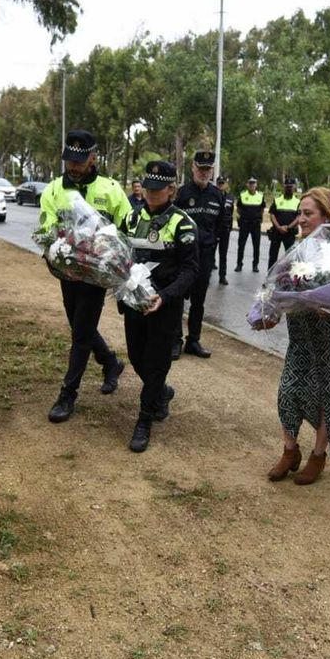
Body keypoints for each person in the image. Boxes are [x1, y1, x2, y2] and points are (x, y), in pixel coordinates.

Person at [253, 187, 330, 485]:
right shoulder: (298, 249)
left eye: (308, 213)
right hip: (303, 335)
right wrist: (268, 312)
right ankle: (290, 450)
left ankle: (318, 455)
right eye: (300, 213)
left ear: (327, 216)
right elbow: (277, 287)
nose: (300, 219)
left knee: (329, 393)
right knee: (289, 390)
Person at [36, 129, 131, 424]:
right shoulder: (53, 189)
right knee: (81, 328)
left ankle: (68, 394)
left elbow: (126, 227)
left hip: (96, 275)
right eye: (70, 160)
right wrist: (54, 245)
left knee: (80, 334)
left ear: (93, 157)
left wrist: (111, 252)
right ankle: (110, 362)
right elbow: (46, 227)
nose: (74, 166)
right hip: (67, 271)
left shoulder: (111, 189)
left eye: (80, 160)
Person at [118, 161, 201, 453]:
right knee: (136, 358)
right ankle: (162, 393)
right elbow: (120, 256)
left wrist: (165, 297)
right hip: (134, 303)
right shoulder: (130, 218)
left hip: (164, 306)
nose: (151, 194)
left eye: (158, 190)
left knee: (156, 363)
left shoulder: (183, 223)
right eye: (148, 188)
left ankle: (144, 420)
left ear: (171, 189)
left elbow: (191, 270)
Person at [173, 150, 227, 358]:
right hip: (183, 255)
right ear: (193, 168)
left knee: (199, 300)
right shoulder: (182, 194)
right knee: (178, 298)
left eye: (208, 169)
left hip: (205, 255)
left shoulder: (217, 195)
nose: (204, 172)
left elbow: (222, 224)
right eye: (201, 168)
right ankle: (175, 341)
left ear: (212, 171)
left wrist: (214, 244)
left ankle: (193, 340)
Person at [267, 178, 300, 267]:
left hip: (289, 233)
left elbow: (299, 217)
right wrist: (278, 227)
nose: (289, 188)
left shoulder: (298, 202)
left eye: (291, 186)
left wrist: (288, 227)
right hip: (276, 232)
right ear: (284, 187)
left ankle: (289, 278)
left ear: (294, 187)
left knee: (290, 257)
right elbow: (272, 214)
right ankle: (269, 277)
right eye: (287, 186)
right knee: (272, 256)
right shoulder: (277, 200)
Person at [235, 177, 265, 272]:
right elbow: (238, 208)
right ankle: (239, 264)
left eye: (254, 183)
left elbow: (262, 208)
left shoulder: (260, 196)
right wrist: (244, 216)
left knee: (256, 246)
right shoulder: (243, 195)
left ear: (256, 185)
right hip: (245, 223)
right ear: (247, 185)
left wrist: (257, 216)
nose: (252, 185)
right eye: (250, 183)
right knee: (241, 245)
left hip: (255, 224)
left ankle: (255, 265)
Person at [212, 175, 235, 285]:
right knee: (210, 252)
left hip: (225, 229)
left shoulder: (230, 197)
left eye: (223, 183)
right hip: (214, 228)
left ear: (226, 184)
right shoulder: (212, 196)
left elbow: (230, 213)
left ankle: (222, 276)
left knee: (223, 253)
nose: (221, 185)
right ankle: (207, 274)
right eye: (219, 183)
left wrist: (230, 227)